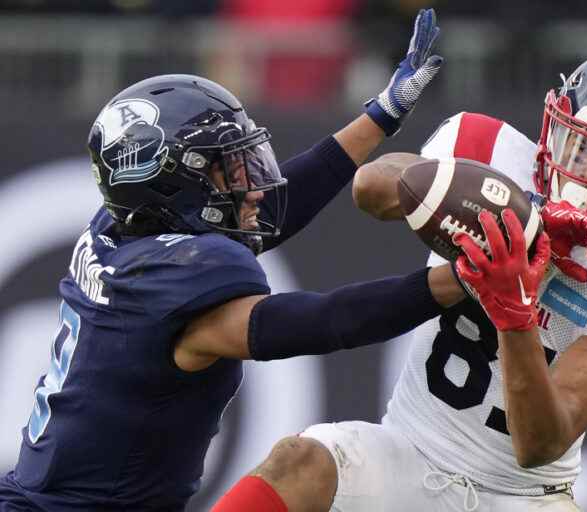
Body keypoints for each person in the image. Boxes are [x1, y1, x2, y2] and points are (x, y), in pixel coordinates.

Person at [211, 45, 587, 512]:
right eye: (578, 146)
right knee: (299, 461)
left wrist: (514, 312)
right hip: (407, 452)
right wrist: (521, 216)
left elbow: (538, 444)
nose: (584, 171)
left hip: (522, 496)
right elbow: (372, 188)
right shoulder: (493, 154)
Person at [0, 10, 462, 512]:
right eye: (227, 170)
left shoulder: (119, 228)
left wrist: (380, 116)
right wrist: (457, 279)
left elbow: (268, 211)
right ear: (175, 182)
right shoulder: (179, 287)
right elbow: (322, 321)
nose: (252, 186)